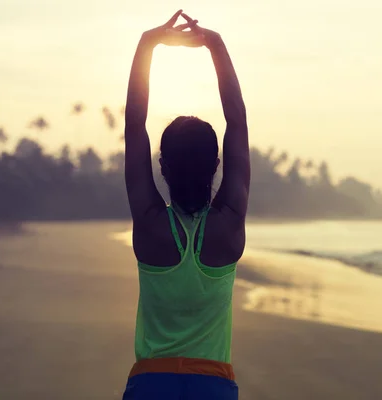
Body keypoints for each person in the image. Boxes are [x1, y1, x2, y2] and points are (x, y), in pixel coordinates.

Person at [122, 10, 249, 400]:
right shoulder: (227, 227)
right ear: (216, 165)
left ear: (163, 167)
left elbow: (133, 125)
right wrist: (215, 45)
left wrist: (148, 43)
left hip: (150, 384)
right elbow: (238, 122)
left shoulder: (149, 224)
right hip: (214, 386)